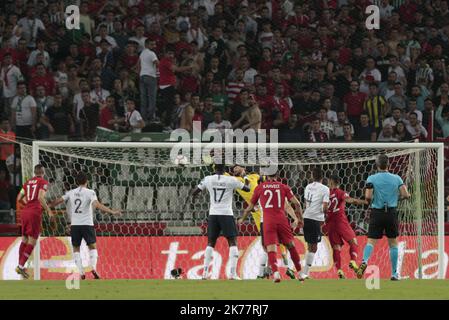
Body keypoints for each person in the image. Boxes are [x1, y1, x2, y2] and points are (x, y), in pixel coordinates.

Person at [48, 172, 121, 280]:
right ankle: (93, 267)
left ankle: (81, 272)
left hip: (75, 225)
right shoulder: (90, 192)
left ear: (77, 182)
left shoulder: (71, 192)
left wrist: (48, 206)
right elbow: (97, 204)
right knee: (92, 247)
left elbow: (58, 200)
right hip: (87, 224)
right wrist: (112, 212)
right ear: (87, 181)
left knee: (76, 248)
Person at [240, 170, 304, 283]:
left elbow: (250, 207)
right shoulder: (283, 187)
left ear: (266, 177)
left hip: (266, 221)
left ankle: (275, 273)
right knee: (290, 245)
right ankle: (300, 273)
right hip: (281, 219)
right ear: (277, 175)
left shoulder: (259, 188)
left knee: (269, 248)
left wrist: (242, 219)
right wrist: (298, 218)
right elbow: (294, 204)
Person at [191, 163, 250, 280]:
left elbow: (195, 192)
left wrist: (196, 198)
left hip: (213, 214)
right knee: (232, 242)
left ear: (214, 168)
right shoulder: (231, 180)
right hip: (226, 214)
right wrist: (245, 176)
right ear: (225, 169)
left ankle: (205, 273)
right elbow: (247, 189)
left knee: (210, 243)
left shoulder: (208, 179)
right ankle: (232, 274)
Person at [358, 154, 410, 281]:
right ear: (388, 164)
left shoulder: (372, 178)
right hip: (391, 212)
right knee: (393, 243)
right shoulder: (396, 178)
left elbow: (368, 197)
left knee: (371, 241)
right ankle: (394, 273)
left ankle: (364, 261)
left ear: (377, 165)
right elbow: (406, 194)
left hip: (377, 212)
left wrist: (372, 200)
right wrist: (397, 198)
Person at [324, 175, 367, 279]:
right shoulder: (340, 192)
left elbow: (323, 208)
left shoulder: (325, 194)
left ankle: (339, 271)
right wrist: (364, 202)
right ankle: (352, 261)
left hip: (330, 223)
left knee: (336, 247)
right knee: (353, 242)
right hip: (340, 221)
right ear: (338, 183)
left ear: (331, 182)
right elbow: (351, 200)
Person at [15, 164, 52, 278]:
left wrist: (28, 204)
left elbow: (19, 198)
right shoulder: (43, 182)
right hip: (34, 213)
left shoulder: (27, 183)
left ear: (35, 172)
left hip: (25, 212)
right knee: (33, 241)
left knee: (25, 239)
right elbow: (41, 198)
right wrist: (49, 211)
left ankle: (20, 265)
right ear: (43, 172)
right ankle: (20, 266)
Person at [301, 167, 330, 279]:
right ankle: (305, 273)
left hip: (306, 217)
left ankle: (305, 272)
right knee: (314, 248)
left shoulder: (307, 187)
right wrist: (325, 215)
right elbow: (325, 207)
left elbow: (306, 203)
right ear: (322, 177)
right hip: (315, 219)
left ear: (312, 176)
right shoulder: (325, 189)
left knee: (310, 246)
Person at [138, 39, 159, 122]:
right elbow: (157, 63)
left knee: (143, 99)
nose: (154, 46)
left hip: (142, 76)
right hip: (150, 76)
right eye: (152, 44)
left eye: (154, 44)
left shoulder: (142, 53)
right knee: (152, 98)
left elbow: (138, 66)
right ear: (146, 45)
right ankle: (150, 118)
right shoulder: (152, 53)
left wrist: (140, 75)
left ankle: (144, 118)